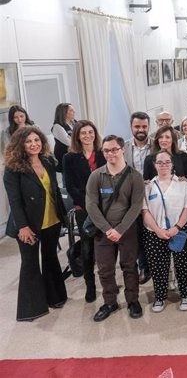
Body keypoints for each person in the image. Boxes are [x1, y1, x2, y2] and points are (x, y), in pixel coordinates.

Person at [3, 127, 67, 322]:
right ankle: (31, 309)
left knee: (50, 258)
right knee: (30, 263)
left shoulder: (47, 161)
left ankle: (55, 297)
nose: (34, 144)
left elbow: (54, 191)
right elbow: (14, 201)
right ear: (20, 144)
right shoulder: (13, 168)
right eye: (29, 141)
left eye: (37, 140)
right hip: (28, 224)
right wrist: (22, 227)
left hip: (52, 220)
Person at [86, 135, 145, 322]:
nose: (110, 153)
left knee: (129, 267)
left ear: (122, 150)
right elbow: (91, 205)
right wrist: (107, 229)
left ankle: (132, 300)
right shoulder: (96, 176)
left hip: (127, 231)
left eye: (114, 149)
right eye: (106, 150)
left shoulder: (135, 176)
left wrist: (120, 229)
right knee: (105, 269)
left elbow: (136, 206)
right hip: (103, 233)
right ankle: (110, 302)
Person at [141, 150, 187, 312]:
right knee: (158, 267)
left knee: (184, 265)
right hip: (154, 233)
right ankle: (160, 297)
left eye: (167, 162)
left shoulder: (183, 184)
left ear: (172, 164)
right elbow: (145, 211)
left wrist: (176, 227)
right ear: (155, 165)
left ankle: (186, 295)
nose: (163, 165)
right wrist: (157, 230)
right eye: (160, 162)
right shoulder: (148, 186)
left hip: (180, 230)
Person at [63, 120, 106, 303]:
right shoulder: (69, 158)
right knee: (87, 248)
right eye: (83, 133)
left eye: (91, 132)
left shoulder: (103, 154)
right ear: (77, 136)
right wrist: (90, 205)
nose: (88, 136)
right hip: (84, 208)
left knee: (105, 246)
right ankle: (91, 286)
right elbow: (70, 186)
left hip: (105, 207)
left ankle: (107, 282)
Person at [123, 111, 153, 284]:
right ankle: (143, 266)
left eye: (144, 126)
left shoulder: (156, 145)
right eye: (137, 126)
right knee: (137, 234)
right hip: (132, 198)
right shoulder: (124, 148)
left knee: (152, 232)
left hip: (153, 197)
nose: (141, 130)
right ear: (131, 127)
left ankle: (155, 264)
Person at [51, 102, 76, 173]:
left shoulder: (75, 123)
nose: (74, 112)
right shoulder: (57, 126)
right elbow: (69, 143)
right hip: (64, 157)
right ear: (64, 112)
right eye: (71, 110)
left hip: (75, 156)